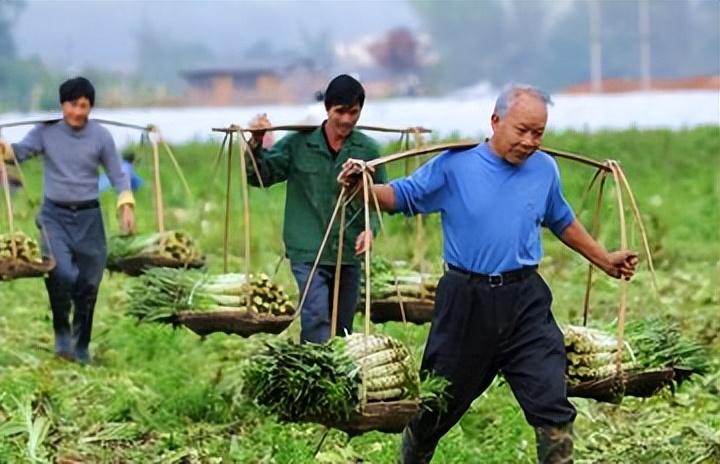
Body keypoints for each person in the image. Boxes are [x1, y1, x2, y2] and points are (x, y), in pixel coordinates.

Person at [339, 84, 639, 463]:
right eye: (522, 130)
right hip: (466, 300)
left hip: (525, 299)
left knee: (551, 401)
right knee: (437, 405)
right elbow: (402, 196)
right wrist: (362, 186)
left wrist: (605, 259)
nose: (530, 141)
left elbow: (561, 219)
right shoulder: (455, 165)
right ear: (495, 121)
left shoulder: (545, 169)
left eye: (539, 133)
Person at [0, 77, 136, 364]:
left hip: (89, 218)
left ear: (90, 107)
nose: (77, 112)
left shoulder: (100, 136)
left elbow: (117, 172)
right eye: (72, 105)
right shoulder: (46, 132)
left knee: (88, 284)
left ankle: (81, 344)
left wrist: (126, 204)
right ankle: (62, 331)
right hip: (54, 217)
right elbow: (20, 152)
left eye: (83, 106)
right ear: (63, 105)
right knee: (61, 274)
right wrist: (4, 149)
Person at [246, 74, 387, 343]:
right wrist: (256, 142)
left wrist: (371, 231)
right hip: (308, 249)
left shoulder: (368, 149)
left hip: (347, 251)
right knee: (316, 316)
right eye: (340, 112)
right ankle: (317, 377)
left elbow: (380, 198)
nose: (346, 119)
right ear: (327, 109)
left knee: (343, 328)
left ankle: (339, 378)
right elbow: (260, 176)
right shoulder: (298, 143)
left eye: (353, 112)